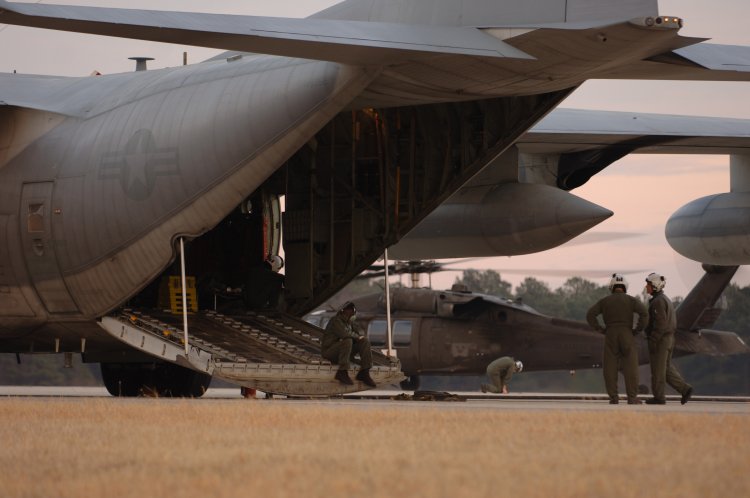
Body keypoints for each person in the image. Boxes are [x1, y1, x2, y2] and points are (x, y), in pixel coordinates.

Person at [586, 273, 648, 405]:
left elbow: (590, 314)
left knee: (610, 367)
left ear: (612, 287)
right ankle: (632, 397)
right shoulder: (631, 300)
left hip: (610, 334)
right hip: (627, 334)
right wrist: (637, 330)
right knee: (631, 367)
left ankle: (613, 397)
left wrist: (600, 329)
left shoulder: (605, 301)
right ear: (625, 287)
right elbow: (644, 313)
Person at [644, 273, 693, 405]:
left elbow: (661, 324)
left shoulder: (658, 302)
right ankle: (685, 389)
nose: (646, 287)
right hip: (669, 339)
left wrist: (653, 340)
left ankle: (659, 397)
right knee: (666, 369)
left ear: (654, 286)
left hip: (661, 340)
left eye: (648, 285)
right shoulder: (664, 299)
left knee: (658, 370)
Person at [321, 301, 376, 387]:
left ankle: (364, 372)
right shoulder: (336, 321)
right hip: (330, 352)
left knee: (365, 341)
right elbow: (344, 334)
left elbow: (360, 334)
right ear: (345, 312)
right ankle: (342, 371)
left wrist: (357, 332)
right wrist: (357, 337)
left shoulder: (349, 323)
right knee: (348, 340)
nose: (353, 314)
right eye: (351, 312)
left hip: (343, 353)